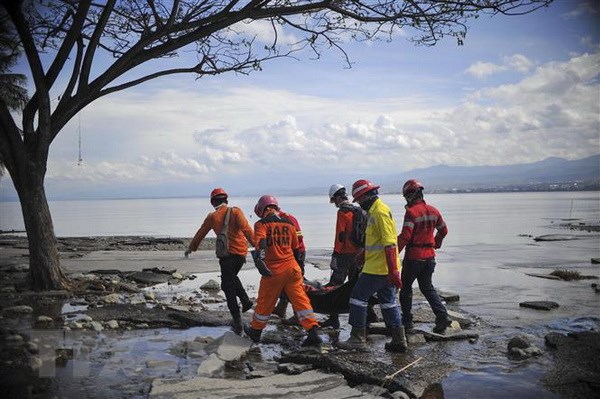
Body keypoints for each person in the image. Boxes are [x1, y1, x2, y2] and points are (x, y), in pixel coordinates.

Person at [336, 179, 407, 352]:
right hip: (382, 267)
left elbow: (390, 244)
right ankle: (398, 339)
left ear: (367, 196)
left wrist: (393, 272)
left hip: (378, 269)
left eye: (360, 199)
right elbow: (376, 241)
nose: (359, 203)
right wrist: (363, 254)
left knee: (357, 298)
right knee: (388, 303)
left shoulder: (380, 212)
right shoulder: (374, 212)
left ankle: (357, 338)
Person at [244, 195, 322, 347]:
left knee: (265, 301)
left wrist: (262, 260)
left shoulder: (261, 224)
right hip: (293, 269)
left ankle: (256, 331)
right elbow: (295, 244)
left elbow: (259, 244)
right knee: (301, 301)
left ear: (262, 209)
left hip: (273, 270)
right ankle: (313, 331)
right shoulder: (289, 223)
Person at [184, 188, 254, 335]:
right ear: (226, 200)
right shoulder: (236, 212)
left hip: (226, 255)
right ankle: (245, 302)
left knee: (228, 286)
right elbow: (247, 230)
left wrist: (191, 248)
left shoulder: (212, 217)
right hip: (241, 255)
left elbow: (200, 233)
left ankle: (237, 320)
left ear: (212, 202)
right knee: (229, 279)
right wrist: (258, 246)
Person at [397, 179, 452, 334]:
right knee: (427, 288)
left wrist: (393, 253)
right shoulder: (434, 210)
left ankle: (407, 322)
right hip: (430, 257)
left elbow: (405, 236)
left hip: (414, 257)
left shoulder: (411, 213)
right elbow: (444, 230)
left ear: (410, 195)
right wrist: (436, 243)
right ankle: (442, 316)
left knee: (406, 288)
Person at [321, 184, 362, 329]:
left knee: (334, 286)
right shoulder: (358, 210)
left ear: (337, 198)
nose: (335, 204)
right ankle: (364, 317)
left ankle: (333, 318)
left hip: (344, 254)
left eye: (334, 201)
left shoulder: (342, 213)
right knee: (356, 286)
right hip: (358, 254)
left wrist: (336, 254)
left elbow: (340, 236)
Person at [271, 209, 306, 319]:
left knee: (295, 284)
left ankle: (298, 314)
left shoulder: (288, 218)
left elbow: (298, 237)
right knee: (283, 280)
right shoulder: (277, 220)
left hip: (297, 253)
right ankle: (281, 308)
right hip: (287, 254)